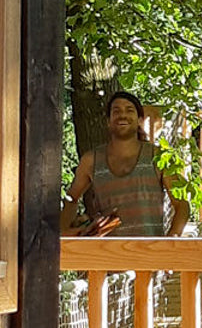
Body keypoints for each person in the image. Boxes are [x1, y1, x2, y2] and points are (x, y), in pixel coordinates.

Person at [62, 90, 190, 238]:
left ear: (140, 120)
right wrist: (64, 232)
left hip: (150, 250)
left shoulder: (158, 156)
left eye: (129, 110)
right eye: (116, 111)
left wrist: (172, 239)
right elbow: (71, 198)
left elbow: (182, 204)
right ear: (108, 121)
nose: (123, 115)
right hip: (105, 251)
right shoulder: (91, 160)